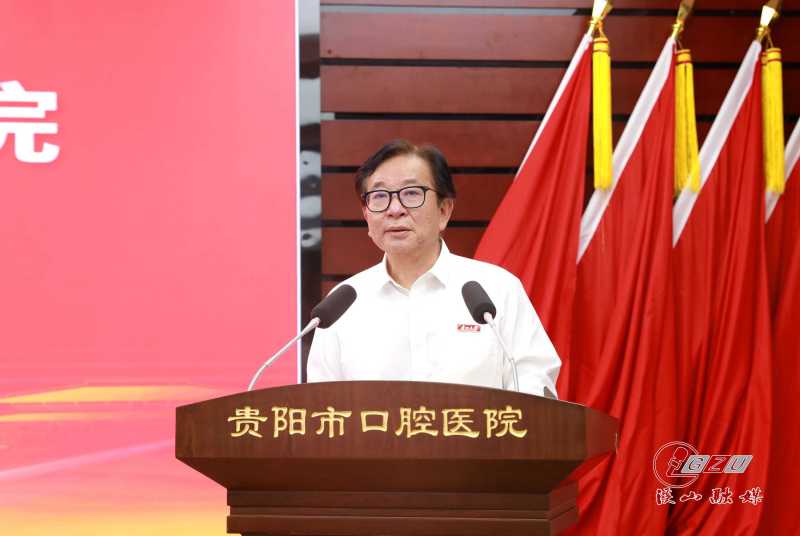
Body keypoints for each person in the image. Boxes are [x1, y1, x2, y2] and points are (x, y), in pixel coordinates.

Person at [306, 139, 560, 397]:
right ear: (366, 215)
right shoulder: (342, 307)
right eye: (380, 196)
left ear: (444, 210)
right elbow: (321, 407)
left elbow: (535, 388)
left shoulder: (497, 290)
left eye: (411, 193)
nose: (395, 209)